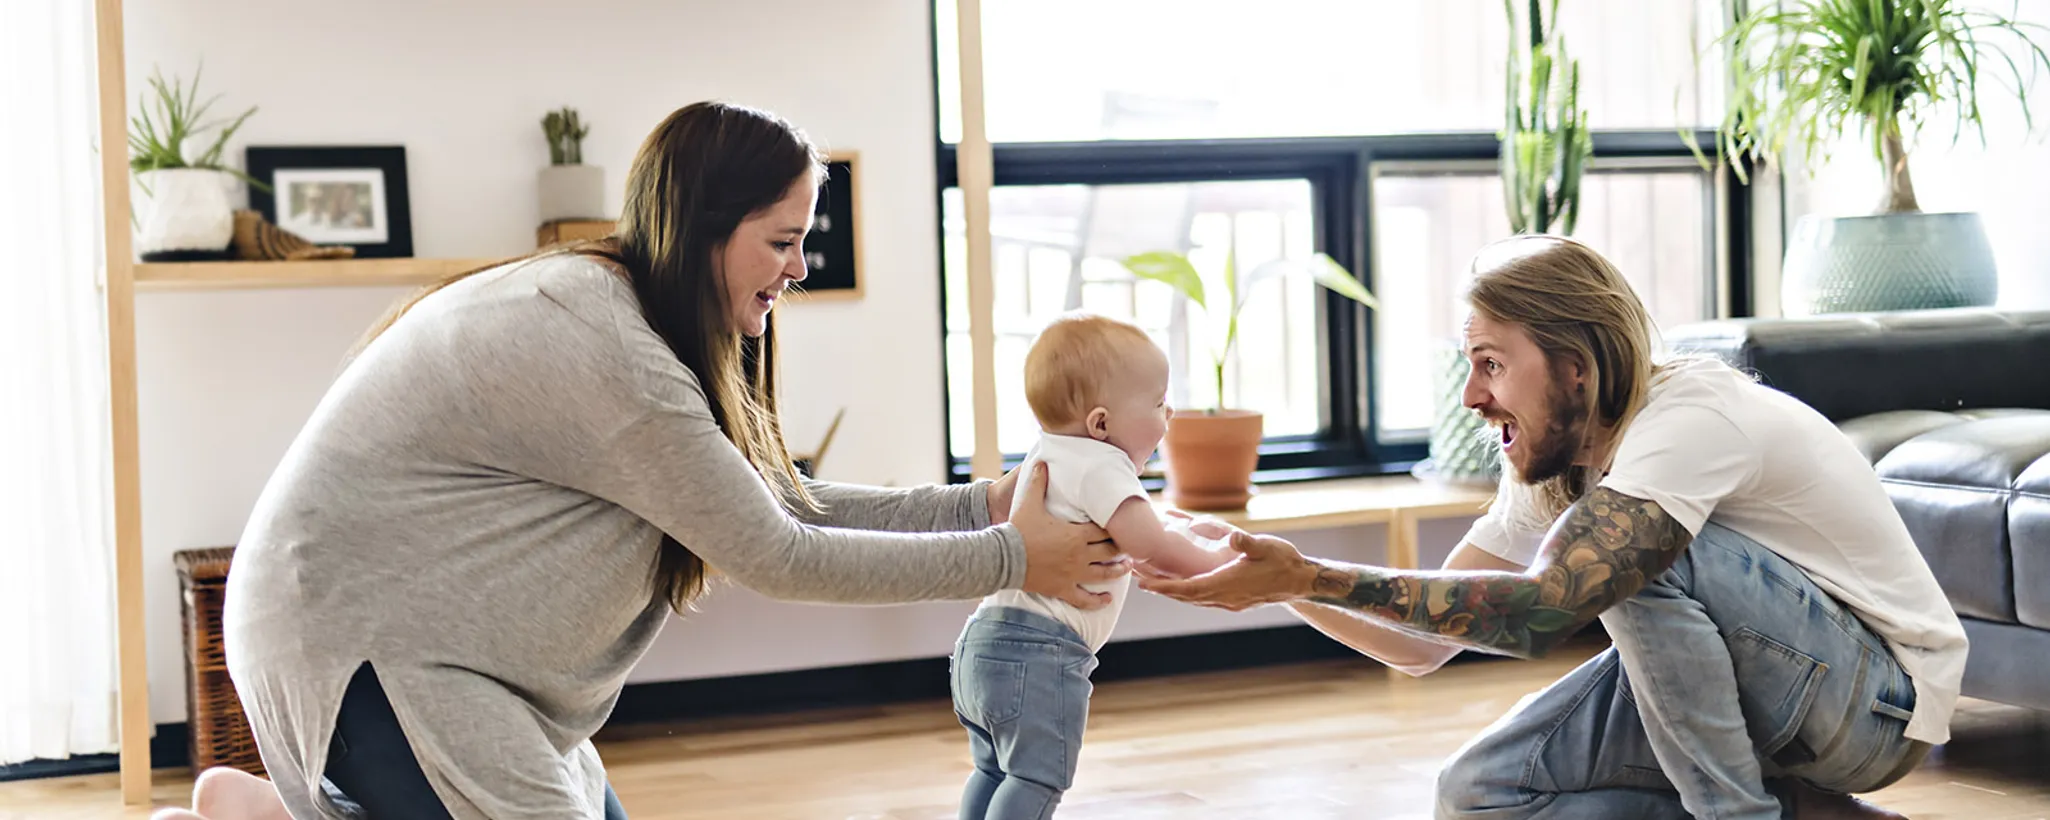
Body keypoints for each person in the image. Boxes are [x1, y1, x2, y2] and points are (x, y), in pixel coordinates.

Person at [198, 101, 1124, 820]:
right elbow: (780, 554)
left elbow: (778, 503)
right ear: (705, 227)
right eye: (783, 241)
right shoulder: (603, 345)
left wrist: (984, 505)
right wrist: (1013, 557)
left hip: (459, 663)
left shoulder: (626, 315)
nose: (799, 269)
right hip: (376, 652)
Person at [1141, 235, 1968, 820]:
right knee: (1478, 795)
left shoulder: (1688, 416)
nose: (1472, 396)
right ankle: (1802, 814)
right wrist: (1271, 582)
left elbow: (1538, 611)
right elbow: (1419, 646)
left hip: (1877, 704)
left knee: (1627, 554)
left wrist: (1308, 576)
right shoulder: (1559, 453)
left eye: (1492, 363)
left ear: (1576, 365)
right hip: (1768, 693)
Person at [951, 313, 1233, 820]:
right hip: (1039, 652)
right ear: (1101, 424)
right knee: (1036, 779)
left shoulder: (1045, 453)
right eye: (1157, 402)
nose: (1169, 411)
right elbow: (1152, 546)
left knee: (993, 772)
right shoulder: (1105, 464)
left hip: (981, 643)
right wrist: (1217, 561)